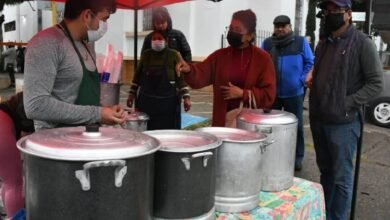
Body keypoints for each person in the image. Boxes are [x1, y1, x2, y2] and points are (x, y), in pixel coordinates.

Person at [309, 0, 383, 219]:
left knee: (342, 179)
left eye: (335, 10)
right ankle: (326, 213)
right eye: (326, 10)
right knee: (326, 173)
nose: (328, 14)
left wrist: (347, 103)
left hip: (343, 124)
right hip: (319, 118)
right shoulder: (324, 43)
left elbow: (375, 83)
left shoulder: (362, 43)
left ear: (348, 14)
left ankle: (337, 216)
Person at [24, 0, 126, 130]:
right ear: (87, 15)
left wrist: (106, 110)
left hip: (87, 138)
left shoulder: (87, 46)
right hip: (56, 143)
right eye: (104, 19)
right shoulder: (46, 43)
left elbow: (83, 99)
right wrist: (98, 114)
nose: (104, 26)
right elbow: (35, 105)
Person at [176, 9, 276, 126]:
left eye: (238, 30)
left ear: (250, 36)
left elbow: (269, 94)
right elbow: (200, 74)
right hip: (223, 124)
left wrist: (242, 94)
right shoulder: (220, 56)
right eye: (231, 28)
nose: (232, 32)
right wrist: (188, 70)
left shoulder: (263, 58)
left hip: (250, 125)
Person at [262, 15, 314, 171]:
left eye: (284, 25)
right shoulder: (268, 43)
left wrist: (301, 79)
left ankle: (297, 158)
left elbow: (310, 61)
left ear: (290, 27)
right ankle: (273, 155)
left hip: (294, 93)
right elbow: (261, 63)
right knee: (273, 127)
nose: (280, 28)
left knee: (296, 128)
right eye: (277, 26)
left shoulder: (300, 42)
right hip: (273, 94)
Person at [127, 30, 191, 130]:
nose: (157, 41)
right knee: (148, 131)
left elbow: (180, 78)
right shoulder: (146, 55)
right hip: (146, 102)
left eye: (160, 39)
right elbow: (137, 76)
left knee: (166, 131)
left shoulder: (173, 55)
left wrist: (186, 97)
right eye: (154, 39)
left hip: (167, 104)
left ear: (166, 41)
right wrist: (131, 95)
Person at [0, 92, 34, 218]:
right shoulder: (33, 98)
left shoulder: (19, 99)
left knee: (8, 182)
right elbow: (26, 131)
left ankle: (9, 216)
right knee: (14, 183)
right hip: (2, 126)